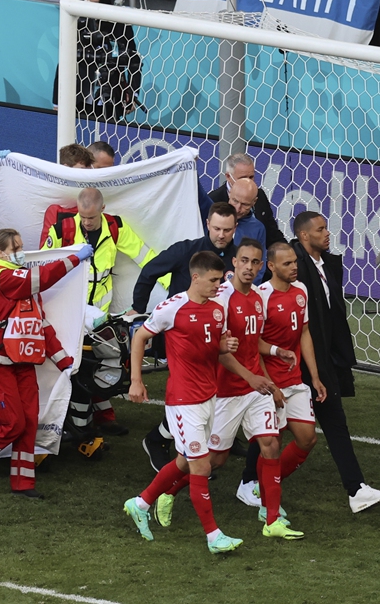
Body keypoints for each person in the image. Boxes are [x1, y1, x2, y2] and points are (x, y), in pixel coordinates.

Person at [123, 251, 275, 554]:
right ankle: (213, 536)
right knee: (201, 466)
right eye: (215, 280)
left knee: (184, 461)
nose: (220, 285)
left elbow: (216, 350)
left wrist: (225, 345)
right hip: (183, 400)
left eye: (221, 280)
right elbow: (140, 336)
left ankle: (140, 503)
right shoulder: (173, 307)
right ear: (196, 277)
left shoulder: (217, 308)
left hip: (209, 397)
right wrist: (136, 380)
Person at [152, 240, 303, 540]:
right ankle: (166, 494)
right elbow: (218, 349)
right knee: (211, 461)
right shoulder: (218, 297)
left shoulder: (259, 298)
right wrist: (251, 377)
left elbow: (252, 342)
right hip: (224, 393)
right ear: (234, 263)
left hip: (253, 388)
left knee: (271, 444)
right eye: (244, 261)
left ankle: (272, 519)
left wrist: (274, 352)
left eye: (255, 262)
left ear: (262, 266)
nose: (249, 267)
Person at [0, 229, 91, 497]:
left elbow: (40, 326)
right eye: (16, 247)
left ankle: (23, 485)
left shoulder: (21, 283)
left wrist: (64, 361)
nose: (21, 251)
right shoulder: (3, 277)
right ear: (0, 253)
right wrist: (75, 259)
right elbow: (42, 277)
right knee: (14, 423)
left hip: (23, 361)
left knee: (29, 422)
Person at [291, 211, 380, 512]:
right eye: (320, 229)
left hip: (326, 361)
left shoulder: (328, 264)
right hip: (300, 365)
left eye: (327, 228)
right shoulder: (296, 267)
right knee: (275, 428)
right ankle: (251, 481)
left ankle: (356, 488)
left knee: (334, 423)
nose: (327, 234)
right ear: (303, 236)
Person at [130, 203, 240, 470]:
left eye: (227, 229)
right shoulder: (186, 251)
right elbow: (149, 270)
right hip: (183, 339)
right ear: (207, 224)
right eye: (216, 228)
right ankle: (160, 440)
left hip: (217, 335)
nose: (221, 234)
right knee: (189, 393)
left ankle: (211, 442)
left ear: (235, 228)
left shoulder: (237, 257)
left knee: (214, 388)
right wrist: (139, 308)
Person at [42, 187, 157, 437]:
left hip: (99, 316)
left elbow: (145, 257)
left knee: (99, 364)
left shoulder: (115, 227)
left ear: (102, 210)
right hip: (70, 311)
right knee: (75, 367)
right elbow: (45, 264)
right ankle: (75, 420)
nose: (86, 222)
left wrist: (173, 284)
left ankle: (101, 418)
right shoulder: (63, 229)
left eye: (91, 218)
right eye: (82, 217)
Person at [235, 242, 328, 515]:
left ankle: (263, 486)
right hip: (269, 381)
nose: (294, 267)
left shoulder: (301, 291)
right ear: (272, 267)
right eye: (287, 264)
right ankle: (260, 492)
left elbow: (304, 333)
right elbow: (254, 344)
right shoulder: (260, 296)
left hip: (295, 380)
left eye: (295, 262)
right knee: (271, 443)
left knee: (307, 438)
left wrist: (315, 376)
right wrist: (268, 384)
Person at [55, 0, 142, 122]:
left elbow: (134, 61)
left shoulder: (119, 27)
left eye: (95, 4)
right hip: (79, 97)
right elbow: (64, 63)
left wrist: (132, 94)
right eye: (86, 4)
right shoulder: (75, 25)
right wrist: (57, 101)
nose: (91, 8)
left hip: (110, 95)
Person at [206, 152, 287, 247]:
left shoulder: (259, 194)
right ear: (228, 176)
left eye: (251, 177)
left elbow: (272, 234)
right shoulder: (213, 200)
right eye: (243, 178)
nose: (248, 181)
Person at [226, 178, 267, 280]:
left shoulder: (258, 228)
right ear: (229, 193)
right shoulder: (214, 218)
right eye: (235, 201)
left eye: (245, 204)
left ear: (254, 202)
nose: (238, 209)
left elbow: (259, 267)